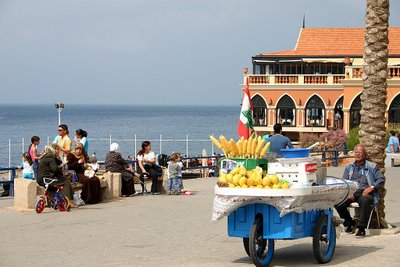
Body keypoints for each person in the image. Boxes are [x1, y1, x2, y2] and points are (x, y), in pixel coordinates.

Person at [334, 144, 385, 237]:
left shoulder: (372, 166)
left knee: (365, 200)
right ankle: (350, 223)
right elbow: (344, 182)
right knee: (338, 202)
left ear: (365, 155)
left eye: (360, 152)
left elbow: (381, 179)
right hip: (352, 192)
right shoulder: (349, 167)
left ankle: (361, 228)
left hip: (366, 192)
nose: (358, 154)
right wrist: (348, 192)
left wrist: (371, 187)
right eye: (356, 152)